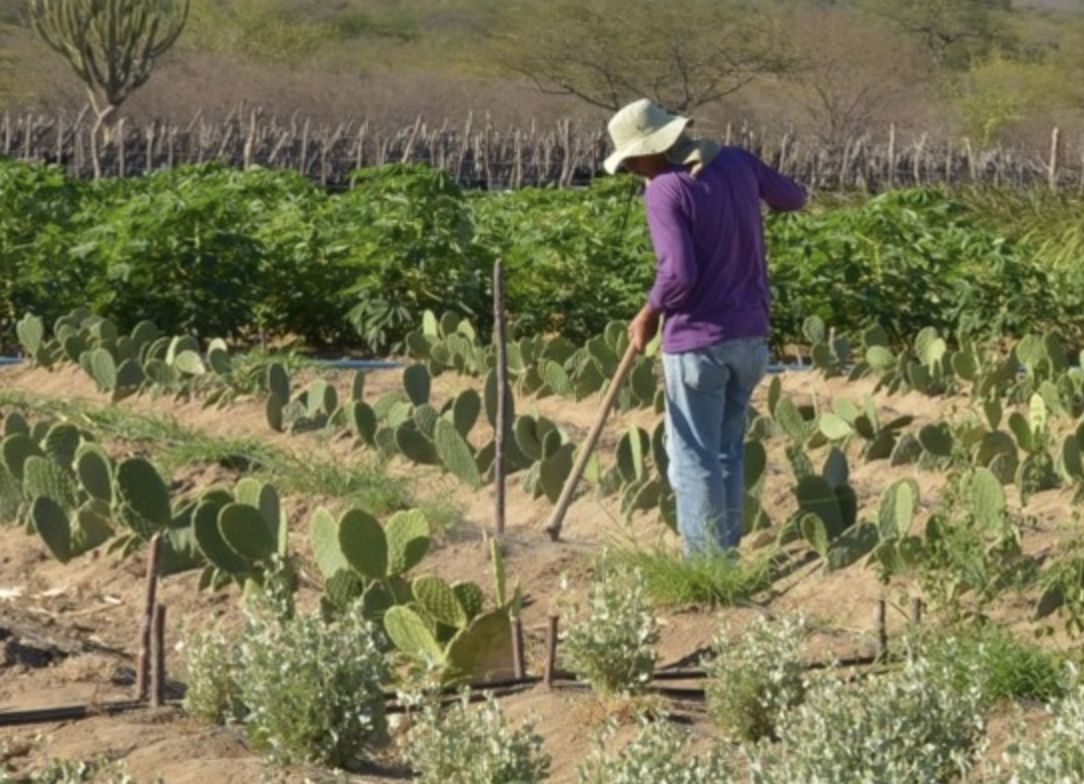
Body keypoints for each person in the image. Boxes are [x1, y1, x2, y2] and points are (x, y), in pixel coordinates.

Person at [604, 98, 806, 556]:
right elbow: (793, 197)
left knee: (693, 457)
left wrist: (648, 312)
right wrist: (739, 196)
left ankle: (703, 565)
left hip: (697, 342)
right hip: (750, 338)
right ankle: (725, 555)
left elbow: (678, 274)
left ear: (654, 148)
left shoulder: (664, 189)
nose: (633, 168)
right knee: (727, 450)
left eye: (633, 158)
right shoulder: (736, 161)